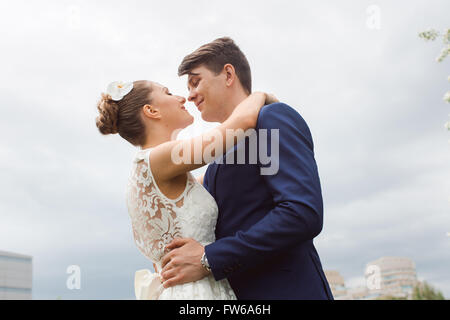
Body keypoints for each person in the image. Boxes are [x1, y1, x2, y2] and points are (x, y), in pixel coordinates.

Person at [159, 37, 334, 300]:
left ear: (228, 74)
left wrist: (209, 258)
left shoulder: (271, 118)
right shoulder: (217, 158)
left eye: (196, 81)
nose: (190, 94)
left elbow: (301, 213)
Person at [95, 79, 276, 299]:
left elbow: (214, 181)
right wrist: (260, 96)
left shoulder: (156, 171)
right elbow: (241, 122)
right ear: (151, 111)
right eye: (168, 93)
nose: (182, 98)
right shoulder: (159, 158)